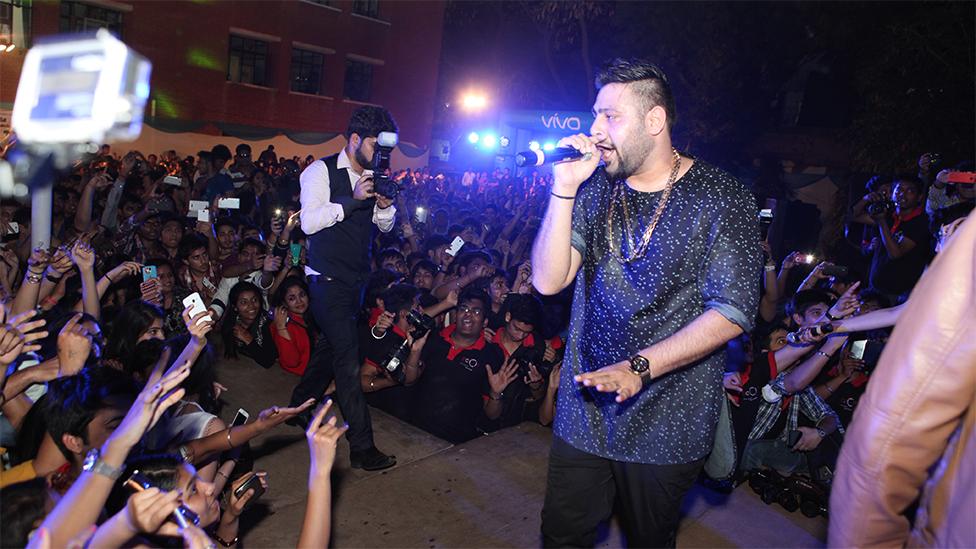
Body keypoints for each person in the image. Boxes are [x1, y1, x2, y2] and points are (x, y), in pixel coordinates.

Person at [531, 58, 761, 547]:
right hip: (585, 407)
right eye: (595, 114)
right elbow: (549, 282)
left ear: (655, 121)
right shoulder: (592, 190)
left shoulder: (721, 196)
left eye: (610, 116)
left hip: (667, 418)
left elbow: (733, 311)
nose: (595, 130)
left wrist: (640, 366)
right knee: (561, 535)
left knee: (649, 540)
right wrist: (564, 188)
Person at [830, 211, 976, 548]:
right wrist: (829, 326)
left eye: (951, 231)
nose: (943, 239)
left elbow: (898, 425)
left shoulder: (962, 270)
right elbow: (905, 312)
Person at [290, 105, 399, 471]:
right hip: (324, 281)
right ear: (354, 140)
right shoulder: (319, 171)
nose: (381, 156)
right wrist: (352, 200)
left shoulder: (373, 174)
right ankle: (363, 447)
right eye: (375, 146)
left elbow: (383, 228)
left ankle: (299, 403)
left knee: (331, 347)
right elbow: (308, 222)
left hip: (356, 283)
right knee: (347, 361)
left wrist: (384, 206)